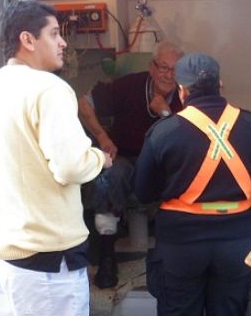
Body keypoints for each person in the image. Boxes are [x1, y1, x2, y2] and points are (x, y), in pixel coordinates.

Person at [0, 0, 111, 316]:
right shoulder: (49, 89)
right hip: (44, 255)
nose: (63, 43)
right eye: (54, 34)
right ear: (27, 40)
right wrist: (99, 157)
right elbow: (69, 166)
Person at [134, 53, 251, 316]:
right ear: (220, 84)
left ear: (182, 91)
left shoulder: (164, 131)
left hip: (181, 247)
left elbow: (143, 191)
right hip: (238, 241)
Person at [77, 40, 185, 288]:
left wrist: (167, 113)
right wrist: (102, 136)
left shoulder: (184, 94)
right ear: (152, 67)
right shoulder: (131, 85)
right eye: (163, 67)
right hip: (125, 158)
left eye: (174, 70)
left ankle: (174, 258)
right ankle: (106, 255)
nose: (168, 75)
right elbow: (84, 103)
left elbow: (190, 141)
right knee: (109, 176)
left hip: (163, 165)